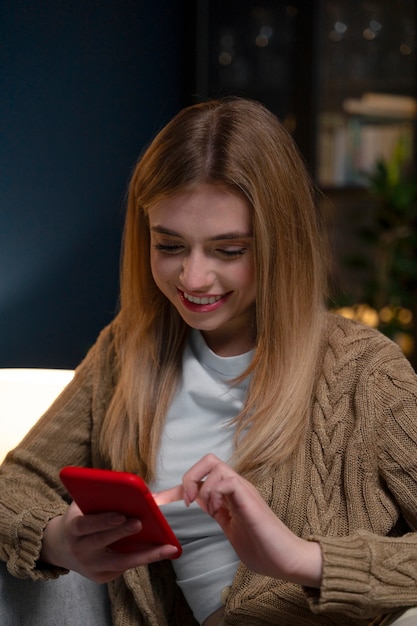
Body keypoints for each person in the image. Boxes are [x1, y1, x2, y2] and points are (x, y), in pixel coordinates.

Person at [1, 97, 417, 626]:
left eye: (229, 250)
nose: (193, 279)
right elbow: (15, 482)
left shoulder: (366, 372)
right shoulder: (128, 350)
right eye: (170, 245)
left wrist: (300, 558)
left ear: (280, 244)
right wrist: (58, 540)